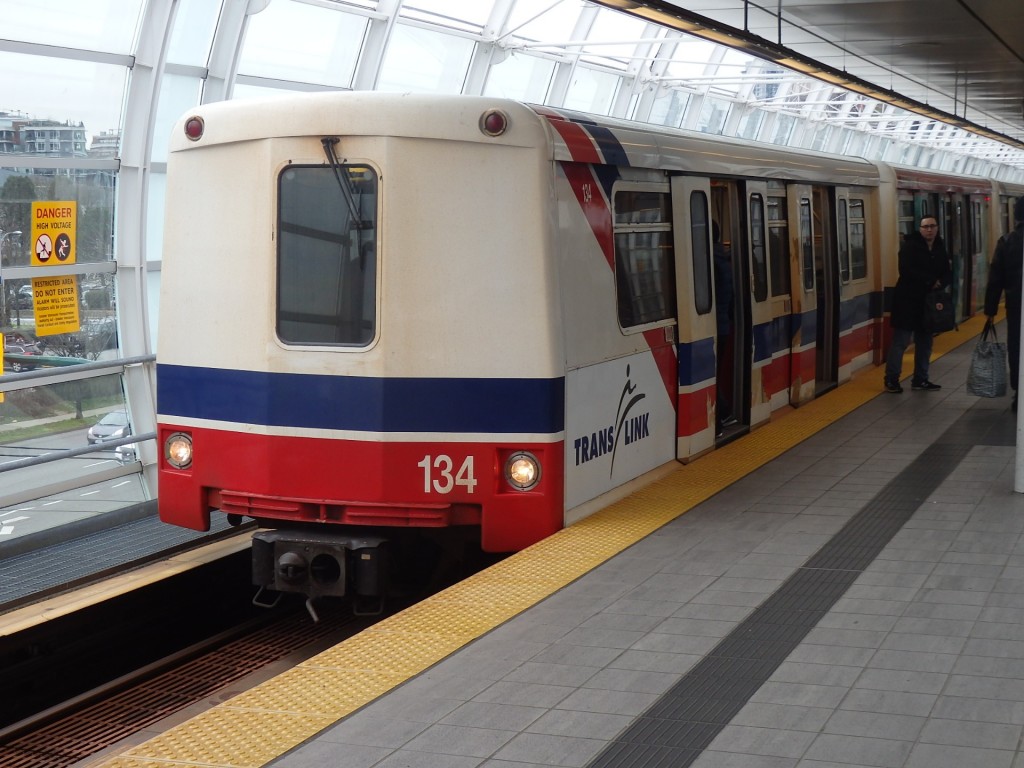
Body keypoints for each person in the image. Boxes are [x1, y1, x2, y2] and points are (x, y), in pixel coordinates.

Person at [883, 214, 951, 393]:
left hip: (927, 305)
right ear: (920, 229)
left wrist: (941, 283)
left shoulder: (940, 247)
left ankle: (921, 379)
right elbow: (906, 270)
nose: (929, 229)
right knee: (901, 342)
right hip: (907, 302)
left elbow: (947, 271)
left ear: (937, 228)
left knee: (925, 342)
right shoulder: (910, 247)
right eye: (925, 227)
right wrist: (930, 281)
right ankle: (892, 379)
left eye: (932, 226)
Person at [984, 197, 1024, 412]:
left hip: (1016, 306)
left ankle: (1020, 393)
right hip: (1016, 304)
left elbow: (995, 279)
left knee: (1017, 347)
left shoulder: (1007, 242)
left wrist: (990, 309)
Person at [713, 221, 735, 435]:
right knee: (716, 375)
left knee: (712, 377)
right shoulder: (724, 259)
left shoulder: (710, 261)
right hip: (723, 325)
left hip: (714, 327)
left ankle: (717, 421)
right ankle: (725, 410)